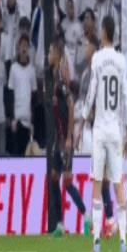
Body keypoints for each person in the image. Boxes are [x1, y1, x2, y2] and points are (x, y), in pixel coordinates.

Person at [78, 15, 127, 252]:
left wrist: (83, 117)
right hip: (116, 130)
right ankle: (123, 242)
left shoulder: (98, 58)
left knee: (97, 185)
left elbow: (91, 92)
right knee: (118, 184)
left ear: (104, 32)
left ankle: (97, 243)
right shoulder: (121, 60)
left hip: (99, 130)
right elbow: (126, 98)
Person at [47, 40, 91, 237]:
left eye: (50, 51)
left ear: (57, 54)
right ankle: (59, 225)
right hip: (59, 139)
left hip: (65, 139)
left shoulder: (60, 84)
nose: (48, 55)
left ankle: (87, 216)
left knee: (66, 180)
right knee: (53, 178)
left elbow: (71, 105)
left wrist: (68, 138)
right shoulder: (55, 79)